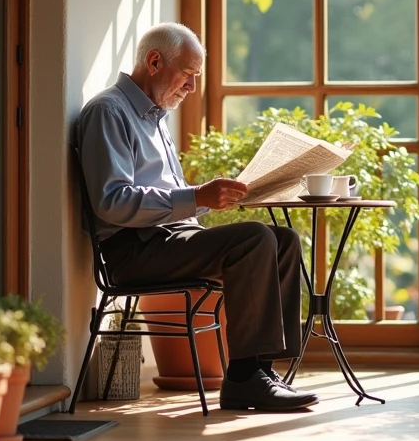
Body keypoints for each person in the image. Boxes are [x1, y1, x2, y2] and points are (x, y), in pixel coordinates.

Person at [76, 22, 318, 412]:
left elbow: (172, 199)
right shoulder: (109, 113)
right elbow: (112, 201)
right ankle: (242, 379)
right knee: (255, 239)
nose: (191, 88)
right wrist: (196, 196)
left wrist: (212, 199)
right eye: (187, 75)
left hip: (166, 241)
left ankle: (262, 369)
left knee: (284, 240)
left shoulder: (154, 117)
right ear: (154, 61)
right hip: (131, 250)